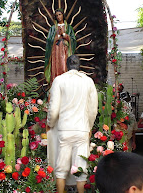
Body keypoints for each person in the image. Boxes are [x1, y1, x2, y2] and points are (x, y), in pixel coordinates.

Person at [47, 55, 98, 193]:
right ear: (79, 65)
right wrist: (89, 127)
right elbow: (93, 109)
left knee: (61, 167)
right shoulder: (88, 82)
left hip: (65, 129)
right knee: (81, 168)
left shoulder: (59, 80)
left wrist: (50, 123)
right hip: (82, 129)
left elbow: (53, 108)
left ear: (67, 65)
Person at [44, 9, 76, 84]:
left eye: (60, 14)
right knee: (55, 68)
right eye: (57, 15)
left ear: (63, 15)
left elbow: (73, 40)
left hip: (65, 52)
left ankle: (65, 85)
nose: (58, 17)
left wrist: (65, 35)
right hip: (55, 51)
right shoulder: (53, 28)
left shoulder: (68, 27)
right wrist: (57, 37)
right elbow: (49, 41)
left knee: (64, 67)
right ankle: (55, 85)